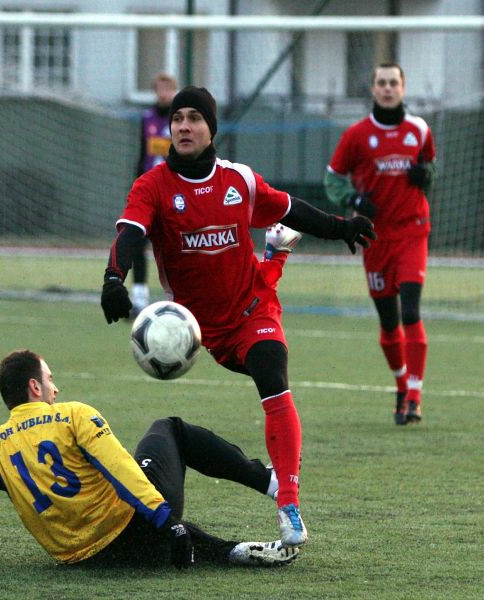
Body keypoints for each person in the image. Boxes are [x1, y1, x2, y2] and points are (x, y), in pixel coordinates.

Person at [99, 86, 376, 548]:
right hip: (202, 330)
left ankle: (287, 499)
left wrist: (340, 226)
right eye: (177, 119)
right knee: (256, 359)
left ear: (211, 129)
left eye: (194, 118)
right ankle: (276, 254)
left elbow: (289, 207)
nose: (183, 126)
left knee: (272, 374)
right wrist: (113, 277)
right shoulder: (153, 186)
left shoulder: (239, 181)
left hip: (253, 311)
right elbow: (131, 233)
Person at [0, 349, 299, 569]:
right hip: (139, 531)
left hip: (85, 560)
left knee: (144, 523)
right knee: (170, 427)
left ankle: (232, 551)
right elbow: (121, 470)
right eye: (51, 379)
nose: (57, 388)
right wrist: (166, 519)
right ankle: (269, 481)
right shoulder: (72, 414)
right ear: (34, 388)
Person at [324, 62, 437, 425]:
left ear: (403, 88)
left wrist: (427, 175)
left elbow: (431, 168)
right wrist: (354, 202)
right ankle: (402, 385)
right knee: (389, 323)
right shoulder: (357, 135)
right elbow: (332, 179)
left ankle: (416, 396)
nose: (388, 88)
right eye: (382, 83)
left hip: (412, 230)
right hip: (375, 236)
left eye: (394, 83)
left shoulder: (419, 129)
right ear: (373, 89)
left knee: (410, 312)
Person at [131, 72, 179, 316]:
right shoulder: (147, 118)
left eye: (167, 89)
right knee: (137, 242)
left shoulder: (180, 119)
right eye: (159, 89)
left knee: (177, 247)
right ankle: (139, 298)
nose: (163, 94)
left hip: (174, 194)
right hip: (150, 192)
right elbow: (142, 155)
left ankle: (180, 299)